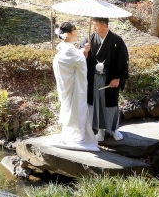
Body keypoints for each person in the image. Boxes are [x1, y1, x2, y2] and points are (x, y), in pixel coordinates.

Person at [52, 22, 100, 150]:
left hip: (69, 85)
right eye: (74, 30)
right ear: (68, 34)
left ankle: (74, 134)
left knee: (71, 108)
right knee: (75, 109)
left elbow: (76, 57)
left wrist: (83, 50)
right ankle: (77, 136)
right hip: (72, 87)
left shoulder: (65, 46)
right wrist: (84, 52)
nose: (76, 32)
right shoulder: (67, 48)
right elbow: (79, 62)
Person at [83, 17, 129, 142]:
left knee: (110, 104)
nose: (94, 28)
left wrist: (117, 78)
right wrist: (85, 51)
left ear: (104, 26)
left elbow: (123, 61)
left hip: (110, 79)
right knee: (96, 103)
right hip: (94, 78)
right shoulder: (90, 39)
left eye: (96, 25)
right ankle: (100, 130)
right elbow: (81, 57)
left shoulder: (117, 40)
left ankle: (114, 129)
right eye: (93, 25)